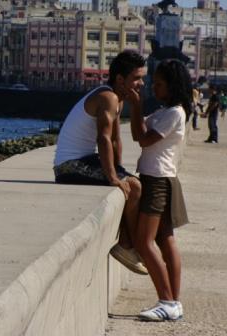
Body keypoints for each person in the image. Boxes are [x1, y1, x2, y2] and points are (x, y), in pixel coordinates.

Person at [53, 50, 147, 275]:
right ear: (120, 79)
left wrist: (120, 169)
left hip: (84, 160)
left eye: (142, 78)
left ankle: (128, 245)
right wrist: (114, 177)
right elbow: (103, 138)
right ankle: (128, 247)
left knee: (134, 182)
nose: (141, 83)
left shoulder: (118, 99)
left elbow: (115, 140)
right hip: (69, 166)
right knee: (134, 187)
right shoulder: (108, 97)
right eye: (137, 78)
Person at [127, 59, 191, 321]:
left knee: (144, 241)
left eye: (159, 84)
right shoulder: (166, 111)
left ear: (172, 86)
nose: (154, 87)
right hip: (160, 178)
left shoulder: (174, 113)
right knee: (165, 241)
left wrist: (137, 105)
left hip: (158, 181)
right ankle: (173, 303)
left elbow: (144, 139)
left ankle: (167, 300)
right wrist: (135, 110)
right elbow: (136, 133)